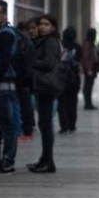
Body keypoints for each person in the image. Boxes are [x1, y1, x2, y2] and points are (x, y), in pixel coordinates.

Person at [0, 0, 20, 174]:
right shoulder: (2, 33)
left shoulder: (5, 34)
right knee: (6, 124)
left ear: (5, 14)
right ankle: (6, 159)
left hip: (4, 85)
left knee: (7, 125)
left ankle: (7, 160)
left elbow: (4, 60)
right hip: (4, 84)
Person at [27, 14, 63, 173]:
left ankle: (48, 161)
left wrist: (30, 62)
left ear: (53, 27)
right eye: (40, 24)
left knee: (46, 124)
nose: (42, 27)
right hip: (42, 86)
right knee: (44, 123)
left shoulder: (50, 42)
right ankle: (44, 158)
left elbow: (48, 64)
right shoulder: (42, 41)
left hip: (46, 87)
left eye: (46, 24)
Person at [58, 26, 82, 134]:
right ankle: (72, 125)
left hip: (62, 77)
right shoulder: (77, 47)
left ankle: (64, 125)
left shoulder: (60, 46)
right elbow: (79, 61)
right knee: (73, 102)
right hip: (74, 78)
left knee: (62, 102)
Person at [81, 28, 98, 110]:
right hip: (89, 67)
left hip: (92, 67)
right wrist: (89, 69)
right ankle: (87, 103)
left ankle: (89, 102)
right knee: (88, 86)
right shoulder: (88, 44)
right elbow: (86, 57)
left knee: (89, 86)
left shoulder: (91, 43)